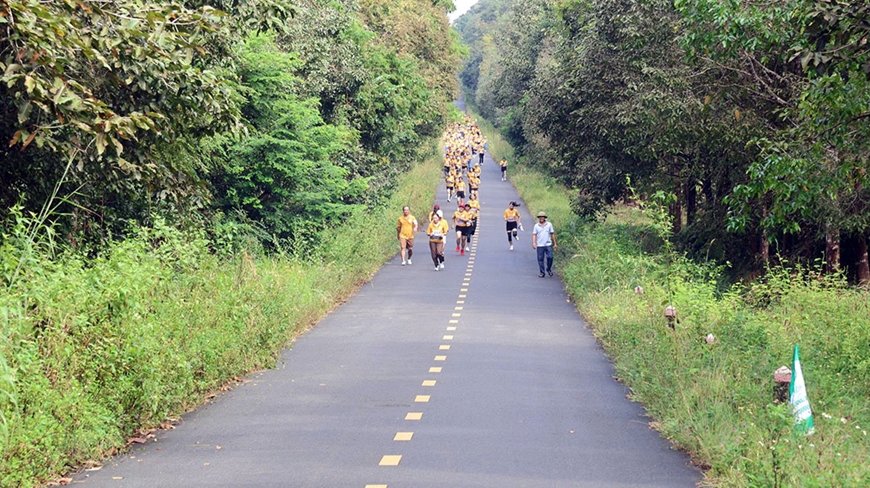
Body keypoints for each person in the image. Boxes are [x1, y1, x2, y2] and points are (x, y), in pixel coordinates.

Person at [531, 211, 557, 277]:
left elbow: (552, 234)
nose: (541, 218)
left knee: (550, 257)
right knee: (540, 259)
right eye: (540, 217)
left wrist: (555, 243)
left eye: (542, 217)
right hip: (540, 245)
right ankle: (542, 272)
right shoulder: (536, 226)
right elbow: (534, 234)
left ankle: (548, 268)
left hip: (548, 244)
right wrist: (534, 243)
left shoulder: (549, 225)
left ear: (545, 218)